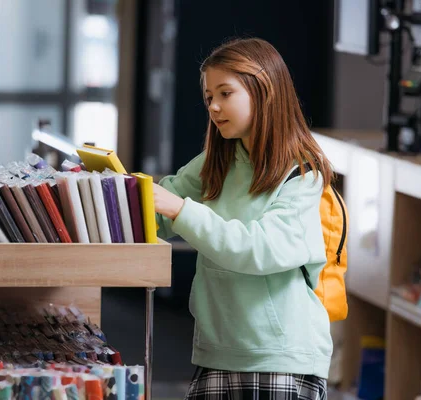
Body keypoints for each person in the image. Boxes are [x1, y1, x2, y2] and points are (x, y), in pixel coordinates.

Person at [153, 37, 333, 400]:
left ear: (263, 91)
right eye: (209, 97)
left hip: (279, 358)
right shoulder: (215, 162)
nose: (214, 107)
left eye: (225, 93)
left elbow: (259, 249)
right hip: (218, 350)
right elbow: (156, 211)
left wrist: (180, 210)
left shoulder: (302, 174)